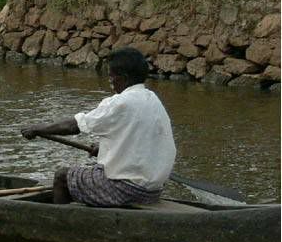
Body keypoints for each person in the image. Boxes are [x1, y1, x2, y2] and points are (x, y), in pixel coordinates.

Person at [20, 46, 176, 207]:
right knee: (91, 171)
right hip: (153, 191)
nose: (110, 81)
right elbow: (138, 141)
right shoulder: (153, 100)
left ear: (123, 77)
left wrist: (38, 128)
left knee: (62, 177)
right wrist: (104, 149)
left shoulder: (121, 102)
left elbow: (74, 126)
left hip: (128, 190)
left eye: (111, 76)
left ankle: (61, 224)